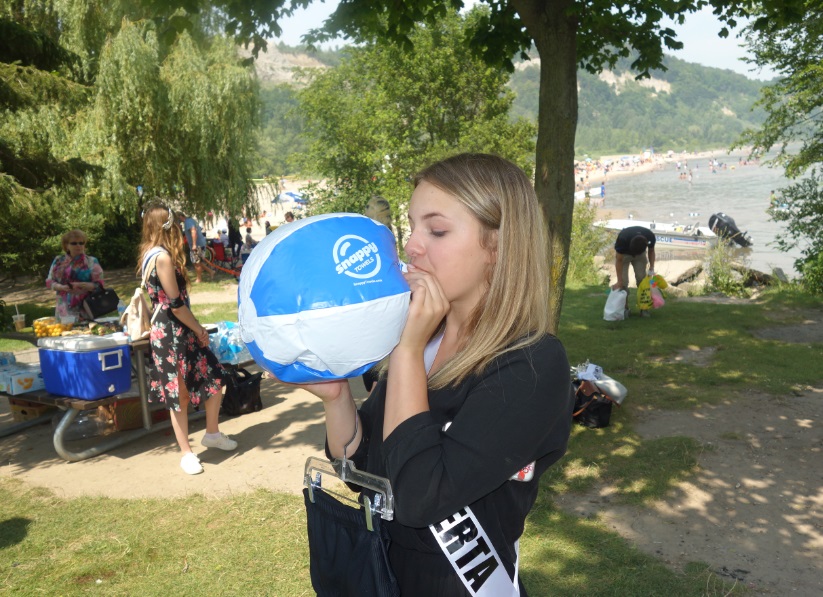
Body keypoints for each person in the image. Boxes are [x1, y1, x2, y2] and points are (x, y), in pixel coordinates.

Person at [297, 153, 574, 594]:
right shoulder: (426, 339)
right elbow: (362, 469)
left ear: (498, 246)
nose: (411, 245)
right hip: (380, 574)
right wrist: (337, 398)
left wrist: (405, 349)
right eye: (412, 226)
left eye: (437, 229)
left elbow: (418, 497)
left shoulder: (532, 365)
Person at [138, 202, 237, 475]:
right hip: (172, 331)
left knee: (213, 375)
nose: (181, 227)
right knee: (178, 392)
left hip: (173, 328)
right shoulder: (163, 258)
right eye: (177, 223)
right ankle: (187, 453)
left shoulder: (151, 253)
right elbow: (175, 304)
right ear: (167, 225)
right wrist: (199, 329)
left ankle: (212, 433)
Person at [45, 229, 105, 322]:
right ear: (66, 245)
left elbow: (100, 285)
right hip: (63, 309)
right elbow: (49, 282)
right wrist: (61, 287)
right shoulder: (58, 261)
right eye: (74, 243)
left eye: (81, 243)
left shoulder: (91, 261)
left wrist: (86, 285)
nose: (79, 246)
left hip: (86, 308)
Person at [612, 225, 656, 318]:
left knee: (642, 280)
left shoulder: (650, 236)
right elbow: (619, 260)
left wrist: (652, 267)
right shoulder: (623, 238)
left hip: (640, 255)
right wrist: (619, 280)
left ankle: (644, 309)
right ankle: (625, 309)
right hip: (625, 255)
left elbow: (651, 251)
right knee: (623, 282)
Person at [178, 211, 211, 284]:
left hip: (197, 245)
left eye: (178, 218)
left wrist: (194, 244)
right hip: (200, 243)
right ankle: (211, 272)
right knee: (196, 261)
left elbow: (193, 231)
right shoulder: (190, 220)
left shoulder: (188, 222)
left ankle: (199, 279)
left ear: (180, 216)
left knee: (196, 262)